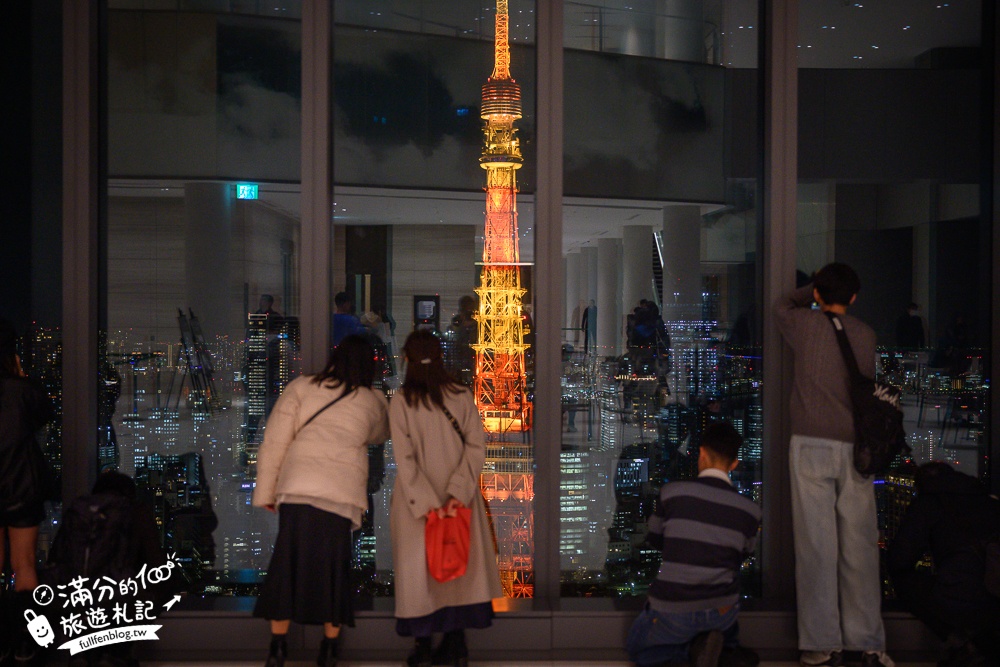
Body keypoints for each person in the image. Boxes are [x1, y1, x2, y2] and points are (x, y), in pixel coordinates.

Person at [774, 263, 893, 667]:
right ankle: (868, 643)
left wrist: (814, 292)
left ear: (819, 294)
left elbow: (782, 303)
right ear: (855, 297)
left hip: (810, 445)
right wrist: (829, 293)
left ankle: (823, 645)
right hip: (856, 449)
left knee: (816, 548)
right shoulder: (866, 335)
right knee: (859, 546)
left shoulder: (803, 326)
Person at [253, 335, 390, 667]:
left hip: (297, 488)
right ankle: (329, 649)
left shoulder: (302, 387)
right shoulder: (372, 400)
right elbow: (379, 434)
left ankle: (278, 647)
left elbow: (274, 442)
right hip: (340, 495)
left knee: (288, 565)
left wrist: (268, 493)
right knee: (334, 570)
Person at [389, 330, 502, 667]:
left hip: (416, 507)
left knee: (419, 575)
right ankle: (457, 645)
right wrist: (456, 494)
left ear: (406, 359)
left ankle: (423, 646)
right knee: (460, 571)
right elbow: (476, 448)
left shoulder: (402, 401)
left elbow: (404, 459)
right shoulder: (461, 395)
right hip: (461, 502)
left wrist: (429, 504)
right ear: (441, 357)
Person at [626, 422, 762, 667]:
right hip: (722, 611)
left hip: (673, 608)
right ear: (733, 465)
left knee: (639, 649)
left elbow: (656, 540)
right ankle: (723, 649)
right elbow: (741, 555)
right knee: (726, 615)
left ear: (700, 454)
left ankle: (688, 654)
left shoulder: (672, 493)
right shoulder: (751, 512)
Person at [888, 462, 1000, 667]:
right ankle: (981, 645)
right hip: (995, 596)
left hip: (960, 599)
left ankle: (961, 643)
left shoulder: (928, 503)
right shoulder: (989, 501)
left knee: (904, 580)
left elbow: (899, 559)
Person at [0, 319, 52, 665]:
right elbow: (43, 416)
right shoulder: (24, 389)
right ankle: (26, 643)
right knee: (24, 566)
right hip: (20, 489)